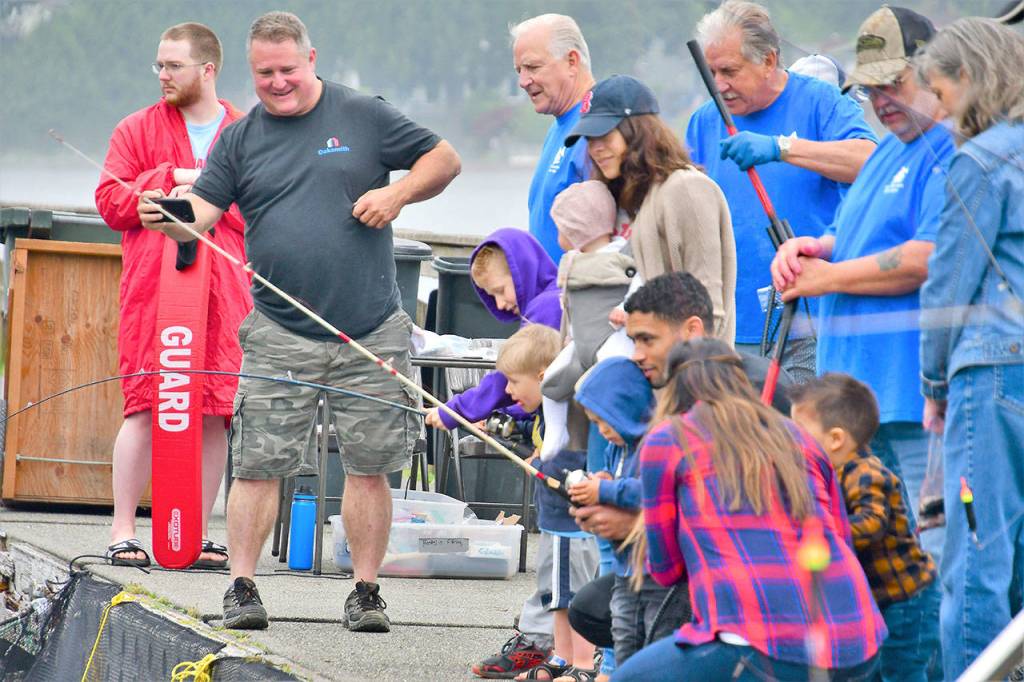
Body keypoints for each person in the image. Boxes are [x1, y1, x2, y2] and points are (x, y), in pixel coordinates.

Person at [137, 11, 461, 631]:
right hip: (279, 330)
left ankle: (365, 592)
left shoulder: (364, 114)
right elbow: (203, 211)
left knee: (370, 464)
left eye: (287, 70)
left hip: (370, 327)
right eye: (264, 74)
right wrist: (170, 214)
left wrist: (396, 196)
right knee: (258, 463)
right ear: (249, 71)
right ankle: (242, 588)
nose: (278, 83)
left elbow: (443, 159)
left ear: (311, 60)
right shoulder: (239, 137)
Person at [769, 6, 952, 565]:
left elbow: (926, 256)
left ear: (933, 71)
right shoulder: (886, 150)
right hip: (854, 401)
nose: (880, 100)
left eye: (892, 82)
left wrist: (827, 276)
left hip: (908, 401)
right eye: (870, 89)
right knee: (869, 560)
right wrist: (815, 247)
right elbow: (856, 235)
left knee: (927, 557)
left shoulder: (949, 148)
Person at [615, 339, 886, 681]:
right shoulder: (799, 436)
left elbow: (665, 569)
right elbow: (841, 540)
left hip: (764, 647)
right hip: (859, 639)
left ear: (674, 389)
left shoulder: (669, 439)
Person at [565, 271, 792, 657]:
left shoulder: (748, 391)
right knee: (590, 610)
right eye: (633, 340)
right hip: (681, 554)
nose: (636, 353)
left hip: (750, 576)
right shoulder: (664, 389)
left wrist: (635, 524)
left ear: (692, 329)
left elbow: (746, 513)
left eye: (646, 339)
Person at [95, 22, 252, 570]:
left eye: (174, 66)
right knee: (144, 403)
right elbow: (110, 198)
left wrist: (204, 193)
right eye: (158, 65)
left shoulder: (246, 129)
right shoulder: (136, 128)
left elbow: (266, 204)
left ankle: (198, 531)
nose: (162, 75)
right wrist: (171, 177)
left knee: (213, 409)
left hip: (225, 292)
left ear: (207, 69)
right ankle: (122, 530)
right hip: (153, 289)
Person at [686, 0, 878, 382]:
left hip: (806, 315)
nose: (719, 85)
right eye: (712, 73)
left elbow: (869, 161)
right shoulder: (704, 121)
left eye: (729, 71)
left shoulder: (820, 101)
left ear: (769, 61)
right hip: (729, 321)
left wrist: (781, 148)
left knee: (803, 433)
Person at [915, 18, 1024, 678]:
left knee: (976, 558)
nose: (939, 107)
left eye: (941, 90)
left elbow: (947, 288)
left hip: (992, 371)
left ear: (969, 79)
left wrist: (933, 387)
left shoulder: (978, 160)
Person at [564, 75, 736, 345]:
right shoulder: (616, 199)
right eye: (589, 138)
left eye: (604, 134)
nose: (595, 147)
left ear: (638, 131)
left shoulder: (687, 189)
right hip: (623, 367)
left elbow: (708, 309)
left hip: (682, 372)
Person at [790, 374, 940, 682]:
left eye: (800, 435)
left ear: (835, 439)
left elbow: (871, 522)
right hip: (886, 599)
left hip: (908, 600)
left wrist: (823, 532)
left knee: (903, 670)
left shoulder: (865, 473)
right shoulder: (835, 472)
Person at [494, 324, 599, 682]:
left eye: (513, 382)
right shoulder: (544, 418)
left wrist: (542, 463)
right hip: (553, 524)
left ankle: (583, 662)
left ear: (543, 377)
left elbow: (576, 464)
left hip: (573, 526)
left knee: (575, 594)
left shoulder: (572, 417)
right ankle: (561, 655)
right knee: (556, 592)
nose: (508, 391)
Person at [570, 357, 690, 670]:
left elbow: (646, 491)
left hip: (656, 574)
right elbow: (617, 482)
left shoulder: (654, 444)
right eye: (595, 423)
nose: (603, 430)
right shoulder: (616, 448)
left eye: (605, 420)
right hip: (625, 570)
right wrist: (601, 486)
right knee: (624, 642)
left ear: (628, 406)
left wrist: (604, 491)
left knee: (657, 645)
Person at [425, 228, 561, 433]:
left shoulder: (546, 308)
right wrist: (507, 412)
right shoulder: (548, 302)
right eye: (491, 296)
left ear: (521, 271)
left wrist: (455, 410)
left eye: (500, 291)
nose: (499, 304)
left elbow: (511, 375)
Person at [511, 14, 596, 263]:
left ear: (572, 61)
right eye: (519, 70)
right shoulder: (559, 126)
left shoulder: (599, 129)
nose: (523, 82)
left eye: (533, 67)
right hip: (548, 296)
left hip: (581, 296)